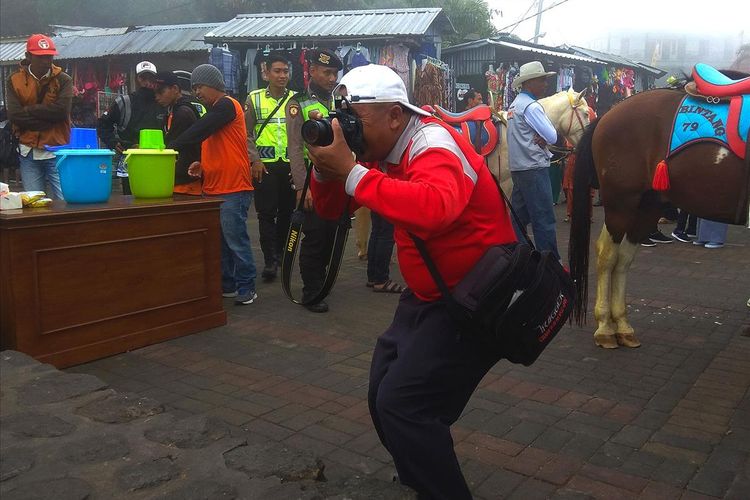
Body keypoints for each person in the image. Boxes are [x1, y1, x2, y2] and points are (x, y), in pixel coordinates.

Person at [306, 64, 517, 500]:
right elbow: (331, 213)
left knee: (405, 405)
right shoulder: (379, 148)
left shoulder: (433, 143)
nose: (350, 133)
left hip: (478, 298)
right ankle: (424, 475)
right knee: (382, 389)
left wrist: (351, 172)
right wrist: (327, 169)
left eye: (356, 122)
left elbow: (435, 208)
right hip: (432, 294)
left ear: (395, 116)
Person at [169, 64, 258, 305]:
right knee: (220, 242)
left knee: (235, 240)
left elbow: (202, 129)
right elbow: (215, 143)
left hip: (233, 186)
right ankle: (227, 285)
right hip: (213, 186)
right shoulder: (215, 112)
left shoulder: (227, 105)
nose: (197, 92)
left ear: (214, 84)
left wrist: (172, 145)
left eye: (199, 86)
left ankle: (247, 286)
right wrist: (202, 163)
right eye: (194, 88)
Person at [286, 49, 343, 313]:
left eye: (335, 73)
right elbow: (295, 148)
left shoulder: (339, 102)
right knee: (315, 237)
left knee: (332, 235)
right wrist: (301, 187)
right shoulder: (299, 103)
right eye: (327, 72)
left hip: (337, 181)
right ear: (313, 71)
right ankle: (311, 291)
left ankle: (321, 283)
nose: (332, 78)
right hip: (313, 182)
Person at [245, 53, 297, 282]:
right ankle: (269, 261)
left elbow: (301, 136)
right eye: (277, 71)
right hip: (264, 167)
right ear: (267, 73)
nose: (282, 75)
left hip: (288, 166)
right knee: (266, 215)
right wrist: (254, 159)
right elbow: (245, 134)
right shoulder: (254, 99)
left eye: (285, 71)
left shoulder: (297, 99)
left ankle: (282, 254)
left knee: (287, 213)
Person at [6, 34, 72, 199]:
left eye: (49, 56)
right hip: (27, 150)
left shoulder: (64, 79)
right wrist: (47, 119)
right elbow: (14, 115)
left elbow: (61, 111)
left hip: (57, 149)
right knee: (34, 203)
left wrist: (29, 110)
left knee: (65, 202)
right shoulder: (14, 80)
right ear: (28, 56)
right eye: (41, 56)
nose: (46, 61)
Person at [506, 61, 561, 260]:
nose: (545, 84)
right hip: (534, 168)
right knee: (544, 220)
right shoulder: (532, 106)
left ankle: (520, 257)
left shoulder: (514, 105)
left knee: (518, 220)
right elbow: (553, 136)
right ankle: (550, 263)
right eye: (542, 80)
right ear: (530, 83)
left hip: (519, 169)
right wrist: (545, 136)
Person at [97, 61, 165, 195]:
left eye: (151, 78)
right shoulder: (124, 102)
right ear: (138, 79)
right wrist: (113, 142)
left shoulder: (162, 102)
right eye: (143, 78)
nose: (148, 82)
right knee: (131, 200)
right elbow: (103, 124)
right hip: (131, 158)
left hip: (158, 159)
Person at [153, 71, 203, 195]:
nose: (157, 97)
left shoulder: (183, 112)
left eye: (161, 92)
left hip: (186, 181)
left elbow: (174, 145)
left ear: (175, 89)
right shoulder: (174, 109)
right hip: (181, 178)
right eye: (155, 93)